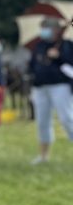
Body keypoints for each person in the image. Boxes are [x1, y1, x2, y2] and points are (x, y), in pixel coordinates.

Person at [28, 17, 73, 163]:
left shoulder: (66, 45)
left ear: (56, 29)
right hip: (40, 86)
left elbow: (70, 63)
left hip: (60, 85)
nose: (44, 30)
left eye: (47, 27)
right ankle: (43, 155)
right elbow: (33, 64)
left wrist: (60, 56)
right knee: (42, 121)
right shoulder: (39, 45)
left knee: (67, 118)